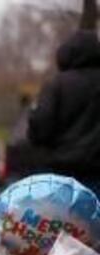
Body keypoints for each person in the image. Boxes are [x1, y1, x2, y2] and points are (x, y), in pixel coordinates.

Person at [28, 30, 100, 197]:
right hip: (97, 172)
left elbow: (40, 127)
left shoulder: (56, 85)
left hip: (62, 173)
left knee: (65, 221)